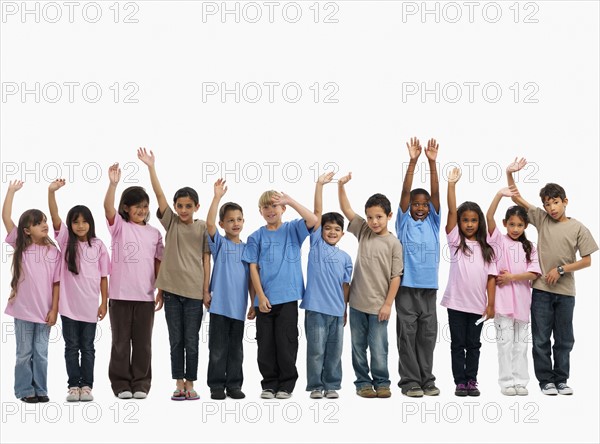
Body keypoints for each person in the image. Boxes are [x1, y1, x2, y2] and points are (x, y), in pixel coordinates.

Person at [507, 158, 598, 395]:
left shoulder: (578, 227)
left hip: (566, 293)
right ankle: (545, 380)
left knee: (565, 339)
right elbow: (516, 197)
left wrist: (560, 270)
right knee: (540, 338)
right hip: (541, 291)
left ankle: (561, 379)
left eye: (555, 203)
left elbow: (587, 260)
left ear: (565, 201)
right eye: (547, 205)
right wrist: (509, 173)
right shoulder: (541, 219)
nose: (552, 209)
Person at [138, 148, 210, 401]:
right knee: (175, 340)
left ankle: (191, 383)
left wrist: (205, 291)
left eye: (188, 206)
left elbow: (205, 258)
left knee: (191, 340)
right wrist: (151, 167)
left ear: (196, 206)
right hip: (171, 293)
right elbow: (159, 195)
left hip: (193, 294)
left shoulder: (202, 228)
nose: (183, 209)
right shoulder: (172, 222)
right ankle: (178, 382)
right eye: (179, 205)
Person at [241, 189, 317, 399]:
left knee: (286, 342)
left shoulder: (293, 229)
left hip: (288, 297)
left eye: (274, 206)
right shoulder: (255, 237)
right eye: (266, 207)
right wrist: (260, 297)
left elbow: (313, 219)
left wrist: (291, 200)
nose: (270, 210)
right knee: (265, 344)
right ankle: (269, 384)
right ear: (260, 211)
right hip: (264, 300)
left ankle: (286, 385)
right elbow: (253, 268)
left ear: (283, 208)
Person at [337, 172, 403, 398]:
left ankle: (382, 382)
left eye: (379, 217)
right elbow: (347, 210)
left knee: (378, 348)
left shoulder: (394, 244)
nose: (374, 222)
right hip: (356, 303)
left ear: (389, 216)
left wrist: (387, 304)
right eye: (370, 217)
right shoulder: (364, 231)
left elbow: (396, 276)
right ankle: (362, 383)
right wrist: (341, 186)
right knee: (357, 347)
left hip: (379, 307)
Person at [104, 162, 164, 399]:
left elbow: (159, 262)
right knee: (120, 343)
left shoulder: (154, 233)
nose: (142, 210)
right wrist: (113, 184)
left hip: (145, 297)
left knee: (143, 344)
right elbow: (108, 207)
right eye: (137, 206)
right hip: (119, 296)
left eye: (145, 206)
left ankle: (141, 383)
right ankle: (120, 385)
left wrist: (160, 290)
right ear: (126, 209)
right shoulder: (119, 227)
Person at [48, 179, 110, 402]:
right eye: (76, 222)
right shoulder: (65, 241)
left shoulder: (99, 245)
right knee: (71, 347)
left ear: (91, 223)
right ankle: (73, 385)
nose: (81, 226)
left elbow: (104, 277)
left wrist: (104, 303)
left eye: (84, 222)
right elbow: (54, 215)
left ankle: (87, 386)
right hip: (68, 307)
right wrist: (51, 192)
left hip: (89, 307)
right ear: (70, 225)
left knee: (88, 348)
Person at [441, 167, 497, 397]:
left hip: (477, 307)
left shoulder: (487, 249)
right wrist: (452, 185)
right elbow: (451, 211)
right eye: (466, 220)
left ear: (479, 222)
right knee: (457, 345)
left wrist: (491, 305)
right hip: (456, 304)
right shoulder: (455, 243)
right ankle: (459, 382)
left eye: (474, 220)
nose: (470, 224)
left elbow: (491, 279)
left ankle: (472, 380)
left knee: (473, 346)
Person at [3, 180, 60, 403]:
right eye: (38, 223)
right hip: (24, 311)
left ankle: (41, 388)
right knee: (24, 353)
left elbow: (57, 284)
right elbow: (6, 218)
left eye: (44, 221)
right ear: (27, 230)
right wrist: (10, 192)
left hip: (45, 312)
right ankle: (25, 390)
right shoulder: (22, 245)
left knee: (42, 353)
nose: (44, 224)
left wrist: (55, 309)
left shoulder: (53, 252)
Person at [395, 137, 441, 397]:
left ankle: (428, 379)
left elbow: (435, 195)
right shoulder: (404, 222)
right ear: (409, 207)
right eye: (416, 204)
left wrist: (432, 164)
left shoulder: (434, 223)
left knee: (427, 337)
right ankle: (410, 381)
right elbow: (404, 193)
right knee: (407, 335)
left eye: (424, 204)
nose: (421, 207)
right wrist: (413, 162)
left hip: (429, 289)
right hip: (406, 288)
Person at [300, 172, 353, 399]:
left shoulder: (346, 258)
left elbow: (345, 287)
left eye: (337, 229)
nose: (332, 232)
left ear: (342, 234)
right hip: (315, 310)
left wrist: (345, 310)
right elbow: (317, 214)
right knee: (315, 350)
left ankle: (331, 384)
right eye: (328, 228)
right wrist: (320, 185)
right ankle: (315, 386)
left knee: (334, 352)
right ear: (321, 231)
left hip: (336, 311)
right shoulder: (317, 245)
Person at [486, 187, 541, 396]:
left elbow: (534, 273)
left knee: (521, 346)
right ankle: (506, 382)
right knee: (505, 344)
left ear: (526, 226)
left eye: (519, 225)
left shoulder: (530, 247)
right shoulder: (498, 241)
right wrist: (499, 195)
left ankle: (521, 381)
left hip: (523, 303)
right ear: (504, 224)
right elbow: (488, 215)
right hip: (503, 304)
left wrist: (511, 277)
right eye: (511, 224)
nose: (515, 228)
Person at [205, 178, 255, 400]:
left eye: (239, 219)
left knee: (236, 350)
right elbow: (208, 225)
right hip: (219, 306)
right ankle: (216, 385)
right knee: (217, 350)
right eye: (230, 220)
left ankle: (234, 384)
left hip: (238, 308)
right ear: (222, 224)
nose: (235, 223)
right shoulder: (220, 245)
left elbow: (253, 280)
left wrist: (253, 302)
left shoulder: (247, 249)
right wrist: (217, 197)